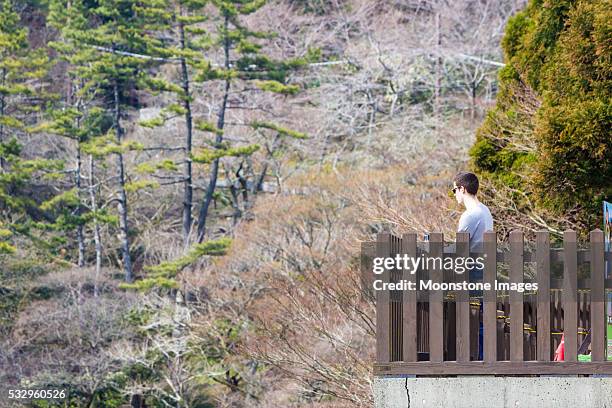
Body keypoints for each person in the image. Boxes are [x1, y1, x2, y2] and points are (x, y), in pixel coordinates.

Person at [452, 171, 493, 360]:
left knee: (474, 319)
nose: (454, 195)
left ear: (462, 188)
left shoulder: (470, 215)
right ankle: (484, 358)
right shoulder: (485, 210)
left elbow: (461, 248)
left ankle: (477, 359)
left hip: (474, 272)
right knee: (483, 318)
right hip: (486, 269)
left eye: (454, 190)